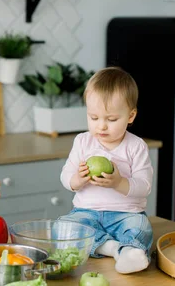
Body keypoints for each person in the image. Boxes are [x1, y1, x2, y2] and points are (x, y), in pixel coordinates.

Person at [59, 66, 153, 274]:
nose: (101, 126)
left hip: (125, 214)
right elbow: (66, 177)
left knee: (142, 228)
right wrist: (77, 179)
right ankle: (115, 249)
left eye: (111, 120)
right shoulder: (82, 142)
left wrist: (119, 182)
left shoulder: (136, 146)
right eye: (93, 118)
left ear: (130, 116)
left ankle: (130, 250)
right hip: (86, 214)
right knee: (63, 228)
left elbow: (144, 186)